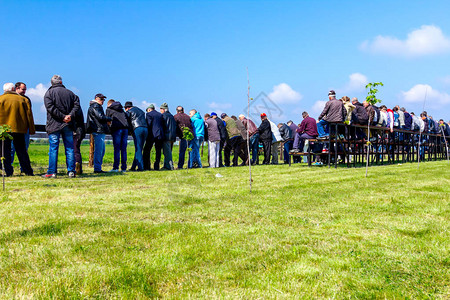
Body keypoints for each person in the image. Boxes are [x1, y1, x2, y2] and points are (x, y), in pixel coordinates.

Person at [43, 75, 80, 178]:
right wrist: (69, 116)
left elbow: (50, 108)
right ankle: (71, 171)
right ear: (61, 82)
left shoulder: (48, 94)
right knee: (69, 148)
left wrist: (62, 116)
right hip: (68, 124)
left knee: (53, 148)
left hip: (54, 124)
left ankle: (52, 172)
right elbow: (77, 105)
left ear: (52, 83)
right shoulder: (71, 93)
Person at [0, 83, 35, 177]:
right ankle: (28, 171)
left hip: (3, 130)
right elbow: (29, 116)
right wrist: (31, 129)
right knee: (22, 151)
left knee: (4, 151)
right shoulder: (23, 99)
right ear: (13, 89)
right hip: (19, 129)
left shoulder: (0, 99)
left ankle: (8, 171)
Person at [86, 93, 111, 173]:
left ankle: (98, 167)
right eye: (101, 99)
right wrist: (110, 118)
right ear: (96, 99)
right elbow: (100, 117)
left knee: (100, 150)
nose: (103, 101)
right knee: (99, 150)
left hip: (96, 129)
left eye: (103, 99)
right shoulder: (96, 106)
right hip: (98, 129)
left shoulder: (93, 106)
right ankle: (97, 168)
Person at [11, 82, 32, 167]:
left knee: (24, 148)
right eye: (23, 89)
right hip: (15, 127)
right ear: (17, 88)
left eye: (25, 89)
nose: (24, 91)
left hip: (23, 127)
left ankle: (23, 167)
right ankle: (9, 166)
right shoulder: (13, 98)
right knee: (11, 148)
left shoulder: (26, 99)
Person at [106, 99, 129, 172]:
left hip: (117, 129)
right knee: (124, 149)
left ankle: (115, 167)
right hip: (125, 129)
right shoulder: (121, 109)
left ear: (109, 104)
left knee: (117, 149)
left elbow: (108, 121)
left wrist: (110, 128)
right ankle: (124, 168)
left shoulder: (109, 109)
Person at [125, 101, 148, 171]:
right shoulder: (141, 111)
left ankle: (141, 167)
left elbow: (127, 121)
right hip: (145, 128)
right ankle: (133, 166)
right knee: (139, 148)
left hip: (137, 128)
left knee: (138, 149)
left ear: (127, 108)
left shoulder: (129, 111)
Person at [143, 104, 164, 170]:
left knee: (147, 150)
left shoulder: (149, 114)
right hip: (160, 134)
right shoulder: (160, 115)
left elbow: (149, 124)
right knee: (158, 151)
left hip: (152, 134)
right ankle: (156, 166)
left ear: (149, 109)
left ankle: (147, 166)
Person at [160, 102, 177, 170]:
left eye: (161, 109)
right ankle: (166, 165)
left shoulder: (163, 116)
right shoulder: (171, 116)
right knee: (168, 151)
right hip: (173, 136)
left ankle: (170, 166)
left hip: (167, 136)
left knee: (167, 153)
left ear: (163, 109)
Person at [73, 103, 85, 175]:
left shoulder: (74, 109)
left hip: (76, 131)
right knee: (77, 149)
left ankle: (77, 166)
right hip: (80, 131)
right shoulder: (78, 108)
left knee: (75, 149)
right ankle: (78, 166)